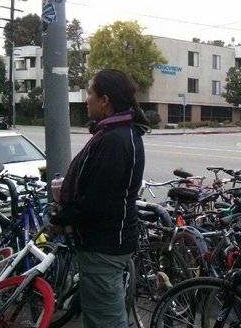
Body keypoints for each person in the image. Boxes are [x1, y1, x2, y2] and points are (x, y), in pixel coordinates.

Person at [50, 69, 149, 328]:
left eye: (90, 92)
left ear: (104, 100)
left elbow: (99, 199)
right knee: (104, 314)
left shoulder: (114, 140)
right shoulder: (123, 133)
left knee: (105, 320)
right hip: (112, 238)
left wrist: (63, 217)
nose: (86, 99)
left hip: (103, 244)